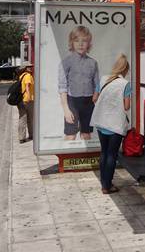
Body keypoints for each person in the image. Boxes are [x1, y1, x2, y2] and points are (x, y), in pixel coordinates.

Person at [90, 54, 131, 194]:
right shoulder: (126, 84)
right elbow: (126, 107)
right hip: (115, 125)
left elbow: (94, 98)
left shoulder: (103, 79)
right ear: (125, 69)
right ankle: (107, 186)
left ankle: (104, 183)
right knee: (112, 155)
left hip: (101, 123)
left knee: (104, 152)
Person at [57, 26, 100, 141]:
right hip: (72, 102)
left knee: (86, 135)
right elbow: (62, 87)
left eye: (84, 41)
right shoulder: (65, 62)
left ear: (89, 43)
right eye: (77, 41)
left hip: (88, 103)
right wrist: (66, 109)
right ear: (72, 43)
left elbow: (97, 84)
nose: (80, 44)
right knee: (71, 135)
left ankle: (85, 158)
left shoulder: (93, 63)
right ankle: (67, 158)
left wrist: (96, 95)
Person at [18, 63, 35, 144]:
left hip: (21, 101)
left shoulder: (21, 76)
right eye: (29, 67)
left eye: (31, 66)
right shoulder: (28, 76)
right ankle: (31, 135)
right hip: (28, 101)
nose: (31, 68)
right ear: (26, 68)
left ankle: (21, 138)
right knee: (30, 119)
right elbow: (27, 86)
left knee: (22, 119)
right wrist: (28, 97)